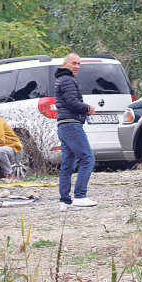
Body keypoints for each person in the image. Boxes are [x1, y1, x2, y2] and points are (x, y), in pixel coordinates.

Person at [55, 53, 97, 211]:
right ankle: (80, 196)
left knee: (68, 165)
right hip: (71, 125)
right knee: (88, 159)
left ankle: (65, 202)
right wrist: (87, 108)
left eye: (79, 64)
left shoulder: (63, 79)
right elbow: (72, 103)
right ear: (65, 64)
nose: (77, 66)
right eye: (73, 63)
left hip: (64, 126)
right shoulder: (67, 80)